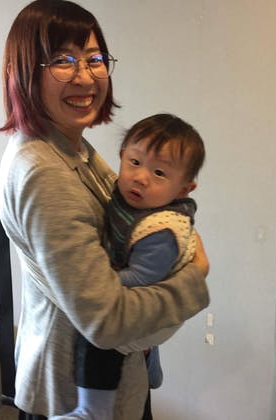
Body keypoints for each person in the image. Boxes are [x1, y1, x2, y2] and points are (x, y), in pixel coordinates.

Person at [0, 1, 210, 419]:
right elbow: (107, 321)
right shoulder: (44, 171)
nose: (85, 76)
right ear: (24, 71)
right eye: (63, 60)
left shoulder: (71, 147)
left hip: (103, 375)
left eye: (94, 59)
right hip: (74, 392)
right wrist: (194, 277)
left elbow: (144, 209)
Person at [74, 113, 205, 419]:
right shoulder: (127, 197)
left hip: (154, 298)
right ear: (121, 156)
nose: (141, 177)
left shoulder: (161, 230)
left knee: (100, 343)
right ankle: (151, 366)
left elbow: (144, 277)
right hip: (146, 298)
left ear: (184, 189)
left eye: (159, 173)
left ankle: (92, 409)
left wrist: (103, 279)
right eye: (134, 162)